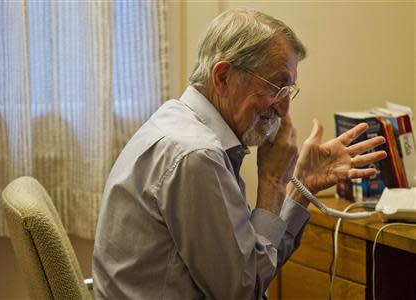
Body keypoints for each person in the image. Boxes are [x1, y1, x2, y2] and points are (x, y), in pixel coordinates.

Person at [93, 9, 386, 299]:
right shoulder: (196, 155)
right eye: (275, 87)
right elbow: (244, 292)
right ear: (222, 77)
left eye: (288, 91)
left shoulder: (179, 122)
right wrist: (271, 181)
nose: (284, 109)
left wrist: (301, 186)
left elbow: (254, 263)